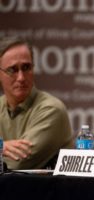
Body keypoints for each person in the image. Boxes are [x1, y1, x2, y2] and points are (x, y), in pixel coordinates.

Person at [0, 36, 74, 170]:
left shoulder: (51, 109)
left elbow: (17, 164)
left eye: (26, 67)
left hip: (46, 190)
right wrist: (2, 147)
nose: (21, 77)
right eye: (13, 70)